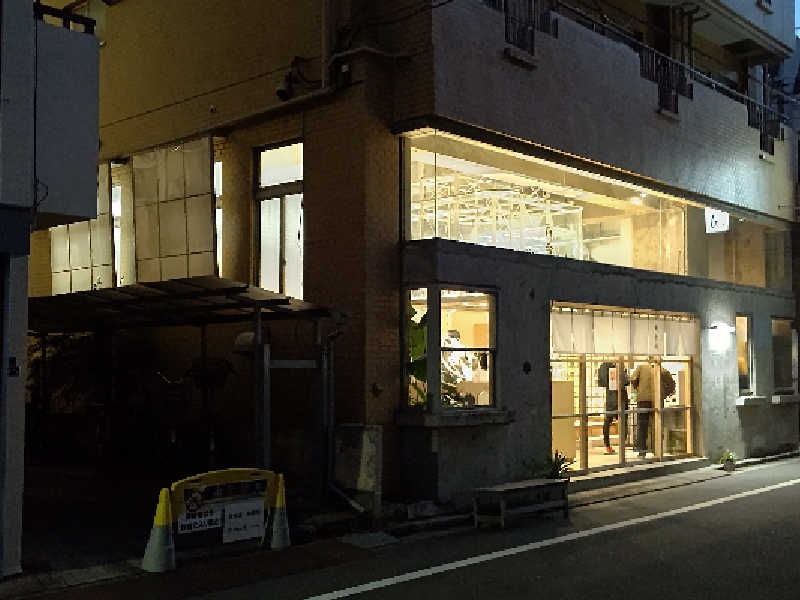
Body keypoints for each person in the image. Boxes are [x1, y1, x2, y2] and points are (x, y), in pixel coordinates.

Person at [630, 362, 674, 458]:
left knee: (642, 426)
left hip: (643, 400)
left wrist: (638, 390)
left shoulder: (641, 367)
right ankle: (657, 451)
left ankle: (642, 452)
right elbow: (671, 385)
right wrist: (664, 394)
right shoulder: (662, 369)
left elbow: (633, 380)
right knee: (657, 426)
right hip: (657, 400)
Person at [597, 362, 628, 454]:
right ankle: (622, 445)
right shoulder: (620, 366)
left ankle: (607, 446)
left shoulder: (604, 367)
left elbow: (601, 382)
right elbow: (626, 381)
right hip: (621, 399)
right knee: (623, 423)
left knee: (607, 422)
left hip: (610, 398)